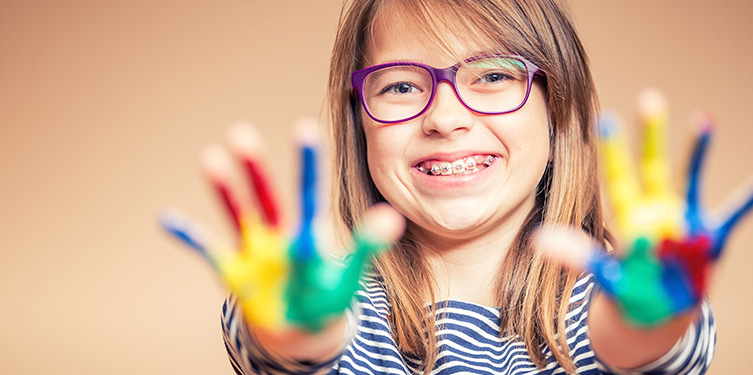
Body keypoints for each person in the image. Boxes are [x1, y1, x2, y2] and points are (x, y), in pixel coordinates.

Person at [163, 0, 749, 373]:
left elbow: (632, 346)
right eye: (399, 86)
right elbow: (295, 346)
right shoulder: (335, 306)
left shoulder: (610, 303)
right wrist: (296, 329)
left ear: (558, 108)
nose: (445, 117)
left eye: (493, 75)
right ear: (358, 121)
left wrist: (651, 322)